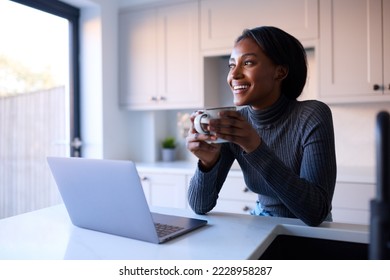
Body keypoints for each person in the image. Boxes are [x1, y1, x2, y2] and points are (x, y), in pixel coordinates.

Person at [186, 26, 337, 227]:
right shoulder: (236, 123)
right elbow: (200, 206)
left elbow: (315, 213)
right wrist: (207, 164)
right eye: (231, 65)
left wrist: (255, 147)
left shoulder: (312, 115)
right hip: (262, 224)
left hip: (309, 233)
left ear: (280, 71)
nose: (235, 75)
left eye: (247, 62)